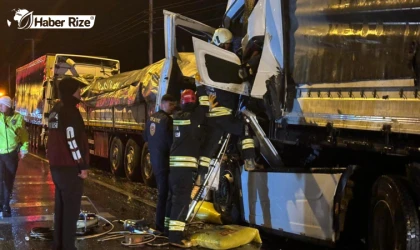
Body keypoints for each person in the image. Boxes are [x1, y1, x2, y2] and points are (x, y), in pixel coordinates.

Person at [164, 82, 214, 248]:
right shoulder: (195, 116)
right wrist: (200, 85)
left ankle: (168, 230)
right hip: (184, 169)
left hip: (174, 168)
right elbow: (205, 105)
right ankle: (175, 238)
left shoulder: (178, 115)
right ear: (194, 102)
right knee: (181, 201)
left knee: (173, 199)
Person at [47, 77, 89, 250]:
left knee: (61, 209)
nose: (80, 93)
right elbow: (72, 141)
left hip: (56, 166)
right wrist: (82, 166)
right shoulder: (70, 111)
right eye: (78, 90)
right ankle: (68, 246)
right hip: (70, 168)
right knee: (71, 212)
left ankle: (59, 244)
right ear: (71, 91)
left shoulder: (55, 110)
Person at [143, 94, 176, 234]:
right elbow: (171, 143)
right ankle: (161, 226)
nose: (173, 107)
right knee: (166, 194)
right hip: (165, 161)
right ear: (163, 104)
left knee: (162, 193)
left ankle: (160, 224)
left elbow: (145, 137)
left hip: (155, 161)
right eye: (171, 105)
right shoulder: (167, 121)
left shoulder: (151, 118)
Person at [0, 96, 29, 217]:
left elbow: (23, 135)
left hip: (11, 154)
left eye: (2, 104)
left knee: (8, 181)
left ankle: (6, 205)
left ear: (9, 105)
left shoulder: (18, 117)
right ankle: (1, 203)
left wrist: (24, 148)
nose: (0, 106)